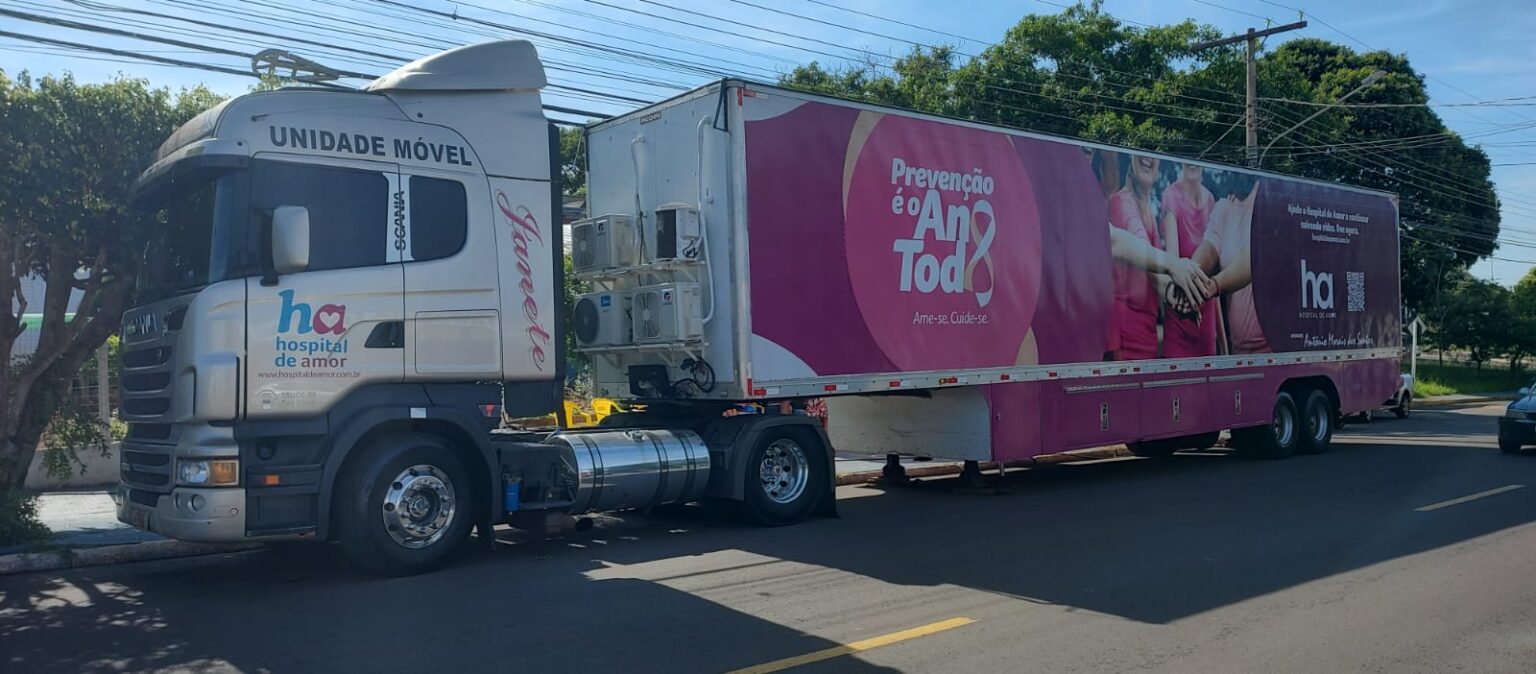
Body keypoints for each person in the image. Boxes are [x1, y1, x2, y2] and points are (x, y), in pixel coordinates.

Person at [1105, 153, 1212, 360]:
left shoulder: (1149, 211)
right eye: (1141, 150)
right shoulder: (1122, 201)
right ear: (1130, 159)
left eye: (1154, 152)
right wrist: (1175, 266)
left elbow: (1153, 275)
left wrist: (1171, 292)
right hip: (1126, 338)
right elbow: (1140, 246)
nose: (1148, 156)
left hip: (1147, 335)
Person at [1188, 178, 1271, 354]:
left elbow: (1255, 256)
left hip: (1273, 350)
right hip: (1239, 350)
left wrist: (1213, 286)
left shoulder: (1268, 199)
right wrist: (1188, 277)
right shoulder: (1225, 207)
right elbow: (1210, 248)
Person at [1160, 163, 1219, 357]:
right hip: (1180, 315)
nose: (1193, 162)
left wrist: (1223, 341)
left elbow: (1214, 274)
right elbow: (1172, 262)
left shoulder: (1210, 200)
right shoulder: (1171, 195)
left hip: (1206, 323)